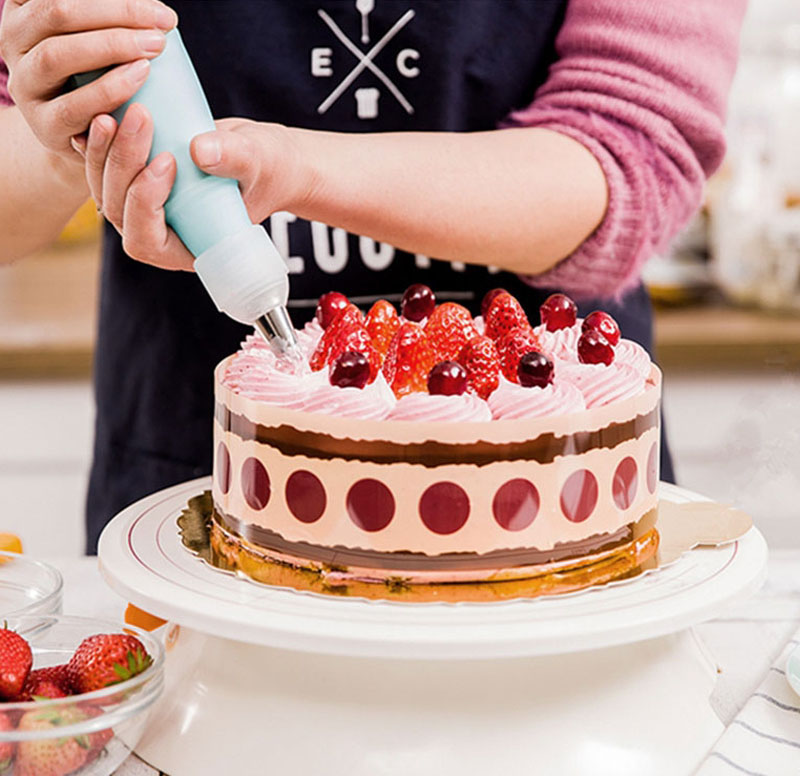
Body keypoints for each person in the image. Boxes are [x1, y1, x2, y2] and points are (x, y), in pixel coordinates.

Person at [0, 0, 746, 554]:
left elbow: (631, 154)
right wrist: (80, 137)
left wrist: (297, 170)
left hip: (561, 497)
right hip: (190, 478)